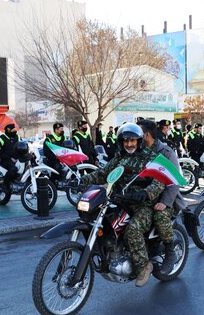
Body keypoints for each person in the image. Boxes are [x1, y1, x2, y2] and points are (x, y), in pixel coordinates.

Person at [80, 123, 165, 287]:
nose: (129, 144)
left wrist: (146, 193)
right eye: (126, 141)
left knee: (132, 230)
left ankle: (143, 266)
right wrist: (81, 181)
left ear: (139, 141)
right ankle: (111, 253)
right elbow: (103, 173)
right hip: (120, 200)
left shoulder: (150, 157)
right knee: (105, 224)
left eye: (133, 140)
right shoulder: (119, 157)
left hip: (142, 204)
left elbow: (159, 180)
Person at [139, 120, 187, 275]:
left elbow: (173, 180)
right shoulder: (139, 150)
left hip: (166, 198)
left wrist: (165, 202)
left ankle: (170, 250)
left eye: (138, 132)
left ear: (146, 134)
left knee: (160, 216)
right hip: (143, 197)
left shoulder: (166, 152)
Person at [0, 124, 21, 188]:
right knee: (13, 169)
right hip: (5, 160)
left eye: (15, 130)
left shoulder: (17, 137)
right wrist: (10, 158)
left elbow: (21, 146)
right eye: (13, 130)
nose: (15, 131)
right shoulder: (1, 138)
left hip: (17, 159)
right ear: (8, 131)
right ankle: (5, 184)